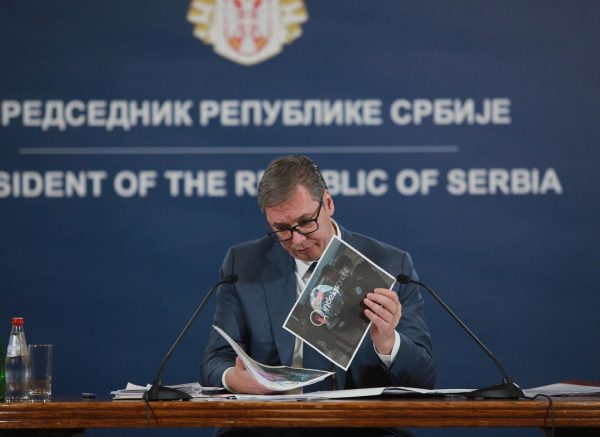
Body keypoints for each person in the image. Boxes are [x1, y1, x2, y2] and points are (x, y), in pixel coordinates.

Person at [201, 155, 435, 437]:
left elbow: (423, 379)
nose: (297, 240)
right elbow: (216, 360)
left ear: (328, 203)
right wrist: (235, 379)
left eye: (305, 222)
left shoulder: (390, 265)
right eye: (282, 229)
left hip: (360, 429)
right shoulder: (243, 264)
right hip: (269, 426)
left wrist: (387, 342)